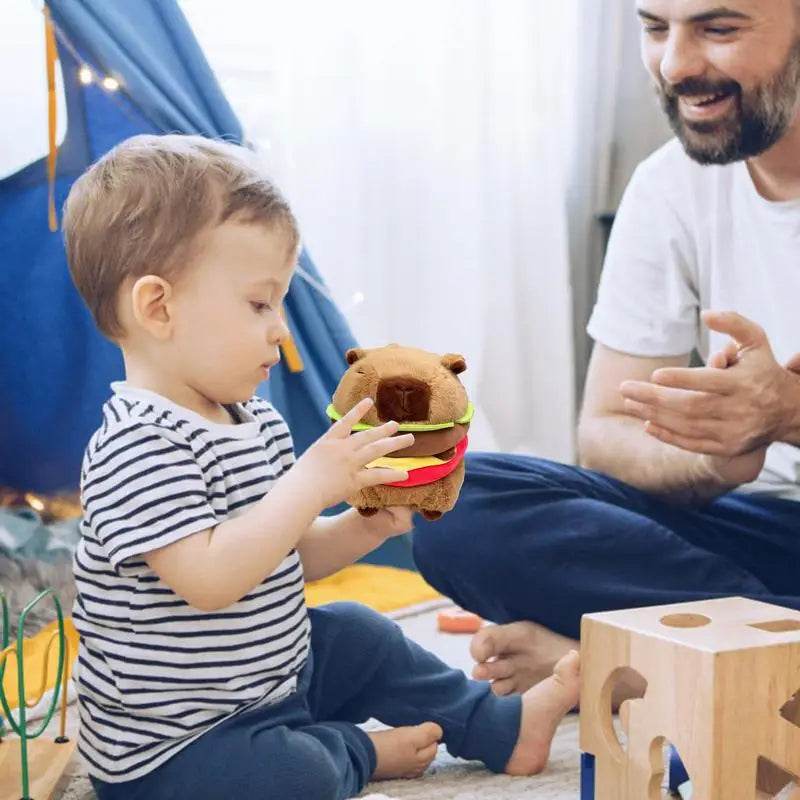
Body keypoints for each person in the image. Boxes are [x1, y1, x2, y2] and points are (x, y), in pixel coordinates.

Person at [64, 134, 580, 800]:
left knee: (361, 634)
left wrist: (364, 527)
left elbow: (285, 558)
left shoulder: (255, 421)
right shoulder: (136, 446)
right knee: (294, 774)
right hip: (176, 746)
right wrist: (309, 484)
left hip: (271, 682)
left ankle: (498, 727)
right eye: (259, 303)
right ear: (158, 307)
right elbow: (211, 580)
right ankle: (355, 750)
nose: (280, 327)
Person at [413, 0, 800, 699]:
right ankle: (741, 669)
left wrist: (789, 414)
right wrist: (712, 461)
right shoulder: (669, 184)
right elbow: (606, 432)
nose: (675, 65)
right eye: (655, 28)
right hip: (756, 531)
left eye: (718, 29)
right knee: (459, 501)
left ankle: (633, 667)